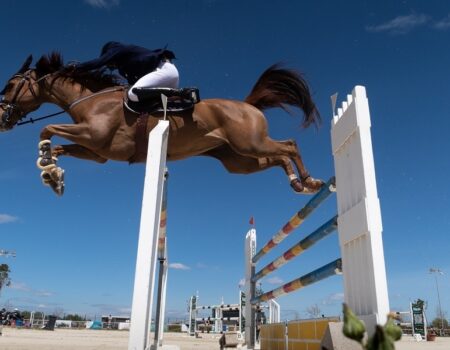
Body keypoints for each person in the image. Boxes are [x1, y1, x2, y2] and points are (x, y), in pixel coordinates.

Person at [75, 41, 179, 102]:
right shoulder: (123, 69)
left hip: (164, 70)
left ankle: (179, 93)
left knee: (133, 93)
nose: (110, 66)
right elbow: (133, 83)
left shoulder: (117, 49)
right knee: (136, 96)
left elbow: (99, 62)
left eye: (109, 62)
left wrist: (77, 67)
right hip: (168, 78)